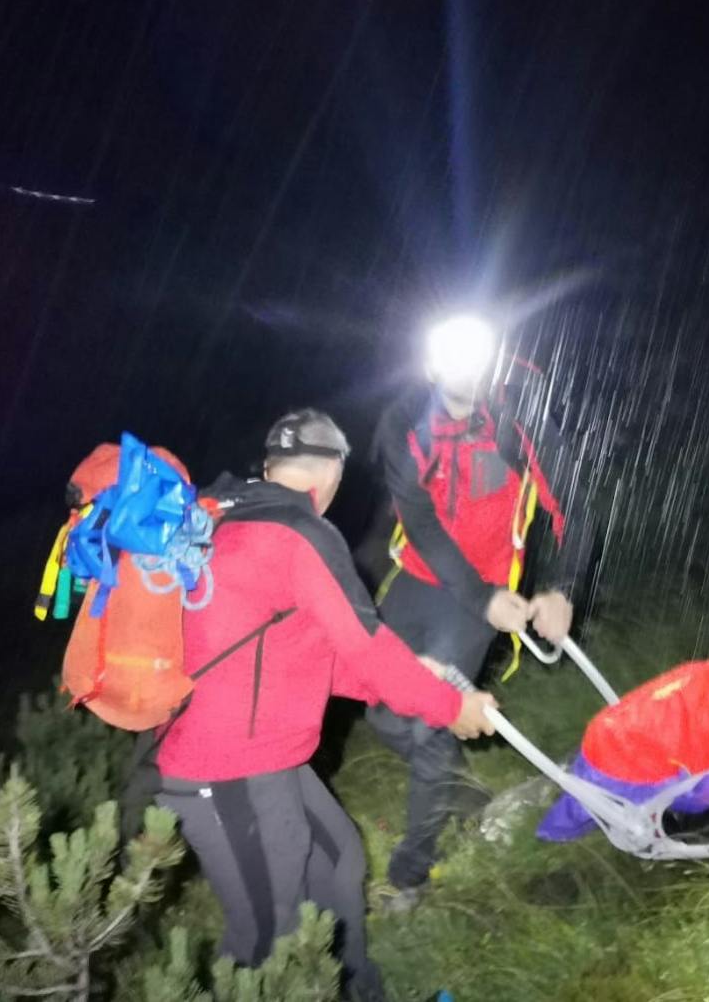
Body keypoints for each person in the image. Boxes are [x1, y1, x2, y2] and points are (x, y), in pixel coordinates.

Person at [156, 409, 498, 1001]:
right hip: (225, 771)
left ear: (269, 467)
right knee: (265, 938)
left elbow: (303, 648)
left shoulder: (226, 519)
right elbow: (366, 646)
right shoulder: (301, 533)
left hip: (267, 761)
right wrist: (448, 705)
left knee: (338, 863)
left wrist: (413, 675)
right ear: (331, 474)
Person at [369, 313, 596, 911]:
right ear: (429, 363)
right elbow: (418, 520)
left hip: (478, 599)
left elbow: (574, 503)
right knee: (384, 715)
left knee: (426, 721)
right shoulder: (402, 422)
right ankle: (466, 794)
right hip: (420, 581)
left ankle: (410, 876)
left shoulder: (519, 418)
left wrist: (562, 589)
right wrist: (480, 596)